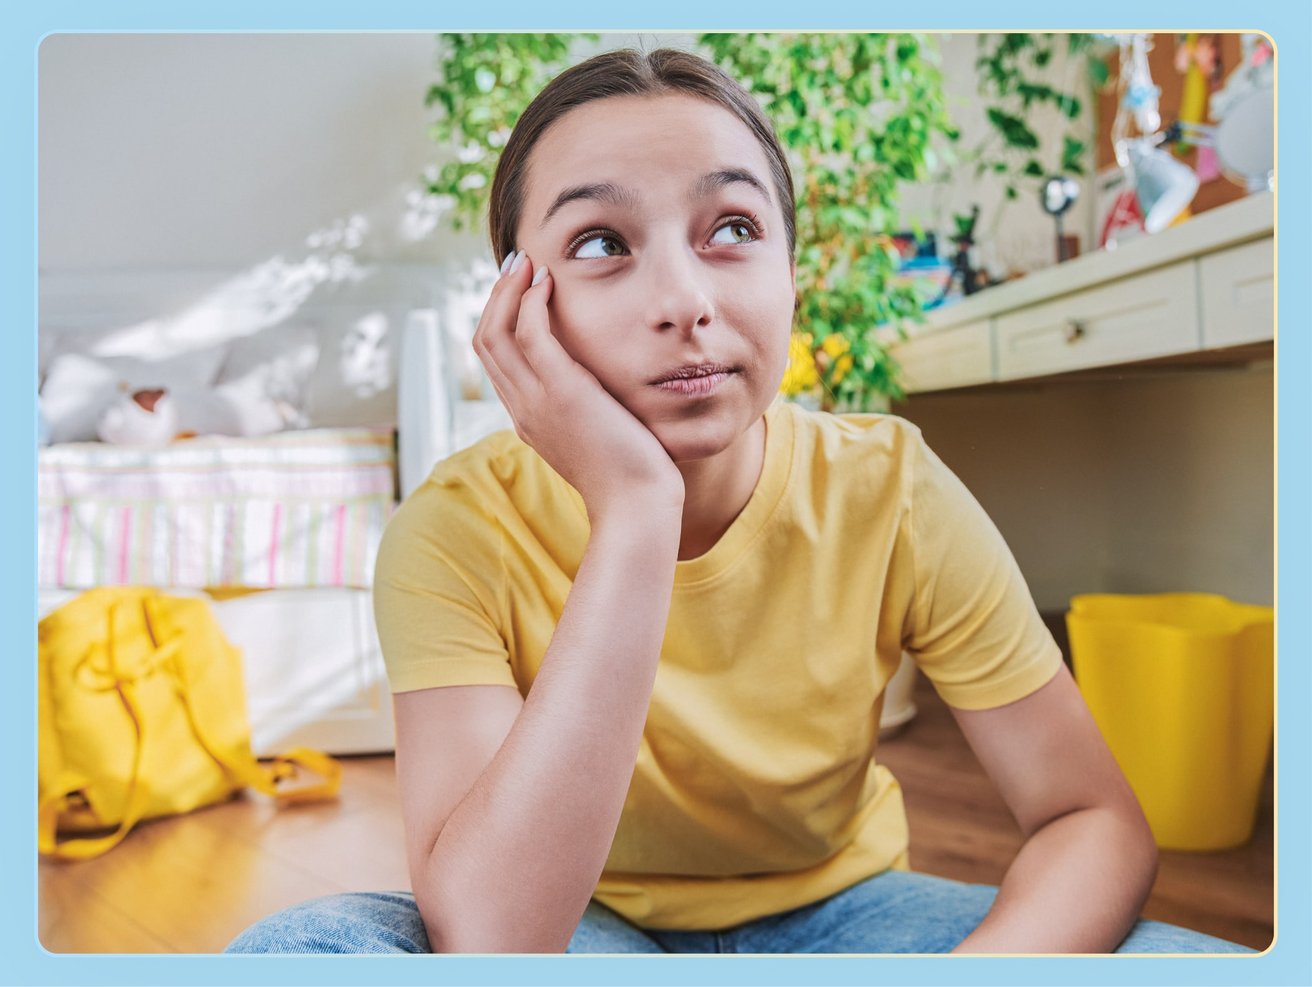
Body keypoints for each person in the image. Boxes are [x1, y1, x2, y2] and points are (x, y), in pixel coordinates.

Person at [226, 46, 1252, 955]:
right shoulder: (450, 533)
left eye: (731, 228)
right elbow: (496, 938)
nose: (684, 302)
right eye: (599, 243)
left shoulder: (889, 489)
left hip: (847, 920)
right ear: (516, 307)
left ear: (790, 273)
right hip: (576, 924)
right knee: (302, 949)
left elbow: (1091, 821)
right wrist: (634, 510)